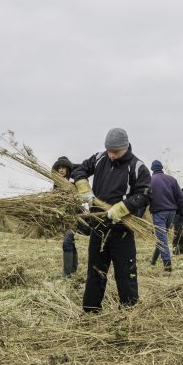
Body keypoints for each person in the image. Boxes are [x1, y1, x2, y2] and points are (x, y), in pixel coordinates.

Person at [72, 128, 151, 313]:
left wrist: (123, 207)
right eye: (109, 151)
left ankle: (128, 312)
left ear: (125, 147)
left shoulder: (137, 166)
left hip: (121, 229)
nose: (112, 155)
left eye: (115, 151)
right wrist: (83, 186)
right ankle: (91, 312)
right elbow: (79, 169)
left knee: (126, 274)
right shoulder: (100, 158)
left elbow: (145, 194)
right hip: (98, 226)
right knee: (95, 273)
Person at [148, 160, 183, 271]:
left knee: (162, 239)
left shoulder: (150, 180)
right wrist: (182, 212)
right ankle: (153, 261)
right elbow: (181, 197)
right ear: (161, 168)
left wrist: (139, 215)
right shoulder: (172, 179)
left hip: (158, 212)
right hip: (172, 213)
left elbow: (145, 199)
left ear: (152, 169)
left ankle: (167, 265)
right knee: (162, 237)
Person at [52, 156, 79, 278]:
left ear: (68, 169)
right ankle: (73, 271)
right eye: (59, 168)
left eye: (63, 167)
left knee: (67, 241)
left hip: (75, 216)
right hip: (63, 217)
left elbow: (80, 197)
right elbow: (55, 202)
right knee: (70, 242)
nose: (61, 170)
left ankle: (66, 274)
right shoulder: (56, 185)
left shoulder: (74, 182)